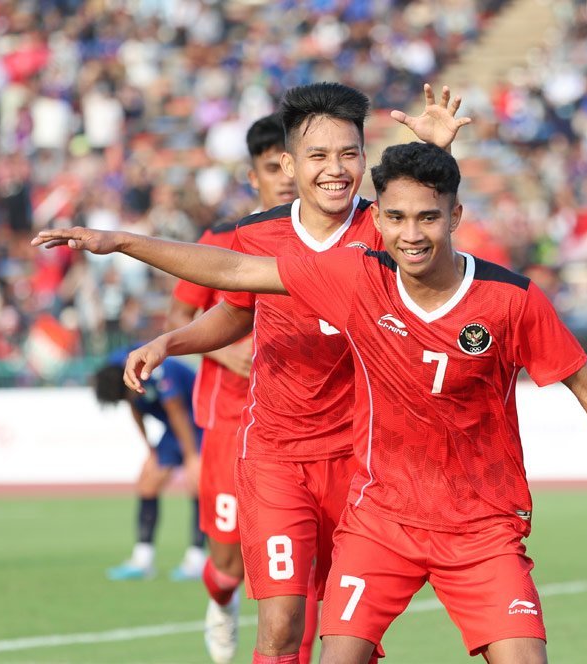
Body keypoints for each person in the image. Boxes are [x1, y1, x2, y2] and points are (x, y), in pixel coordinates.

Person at [35, 142, 587, 663]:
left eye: (428, 217)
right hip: (382, 523)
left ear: (457, 215)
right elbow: (238, 272)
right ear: (380, 221)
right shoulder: (355, 277)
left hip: (481, 528)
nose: (411, 234)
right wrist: (119, 241)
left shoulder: (511, 300)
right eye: (394, 217)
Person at [94, 82, 468, 664]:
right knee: (281, 624)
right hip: (276, 455)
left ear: (365, 159)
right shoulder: (256, 234)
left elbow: (437, 247)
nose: (335, 169)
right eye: (318, 156)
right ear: (291, 163)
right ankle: (221, 605)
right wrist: (172, 341)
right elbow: (232, 312)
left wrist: (441, 156)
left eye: (348, 154)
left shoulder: (385, 230)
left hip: (364, 463)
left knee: (351, 636)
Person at [166, 113, 297, 664]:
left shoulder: (328, 238)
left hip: (301, 424)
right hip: (232, 419)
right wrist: (228, 348)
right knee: (227, 564)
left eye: (293, 163)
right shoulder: (222, 240)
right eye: (273, 167)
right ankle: (221, 602)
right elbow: (179, 313)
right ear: (253, 176)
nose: (287, 177)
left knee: (305, 568)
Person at [93, 351, 206, 582]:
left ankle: (197, 559)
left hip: (198, 419)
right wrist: (150, 450)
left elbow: (178, 413)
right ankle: (143, 560)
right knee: (147, 483)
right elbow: (133, 407)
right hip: (175, 427)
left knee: (197, 484)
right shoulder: (119, 370)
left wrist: (192, 457)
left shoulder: (159, 372)